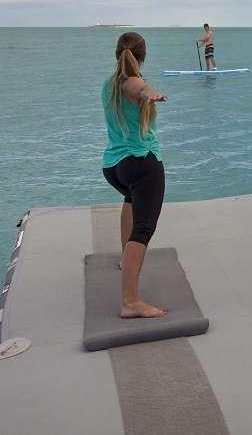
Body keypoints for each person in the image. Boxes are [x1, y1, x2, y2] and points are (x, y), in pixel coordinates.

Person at [101, 32, 169, 318]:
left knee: (130, 201)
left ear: (118, 53)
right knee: (144, 230)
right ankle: (130, 301)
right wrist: (149, 94)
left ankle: (124, 257)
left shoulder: (109, 84)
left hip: (114, 167)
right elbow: (139, 88)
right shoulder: (134, 83)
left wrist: (146, 93)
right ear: (142, 55)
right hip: (142, 165)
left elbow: (132, 87)